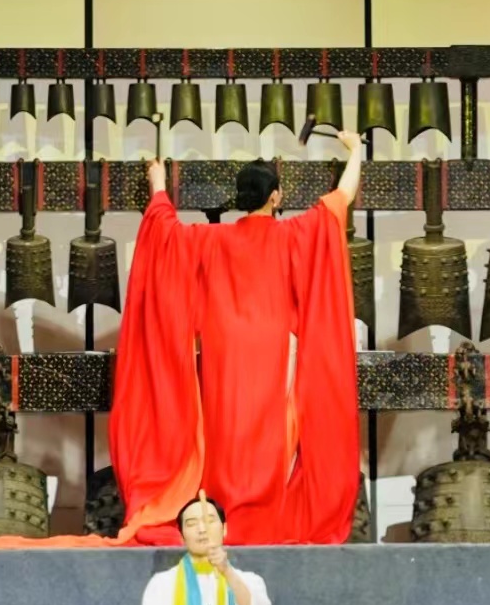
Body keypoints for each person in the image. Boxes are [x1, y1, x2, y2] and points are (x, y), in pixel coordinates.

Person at [110, 133, 366, 546]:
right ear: (275, 197)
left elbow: (164, 232)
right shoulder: (294, 234)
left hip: (223, 349)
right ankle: (263, 517)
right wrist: (356, 150)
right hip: (272, 347)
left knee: (223, 430)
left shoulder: (210, 240)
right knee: (270, 433)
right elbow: (341, 198)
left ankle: (226, 515)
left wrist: (158, 183)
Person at [138, 495, 271, 605]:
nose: (201, 529)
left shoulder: (248, 581)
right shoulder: (162, 585)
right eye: (191, 524)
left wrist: (227, 571)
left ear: (224, 529)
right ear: (182, 536)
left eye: (209, 520)